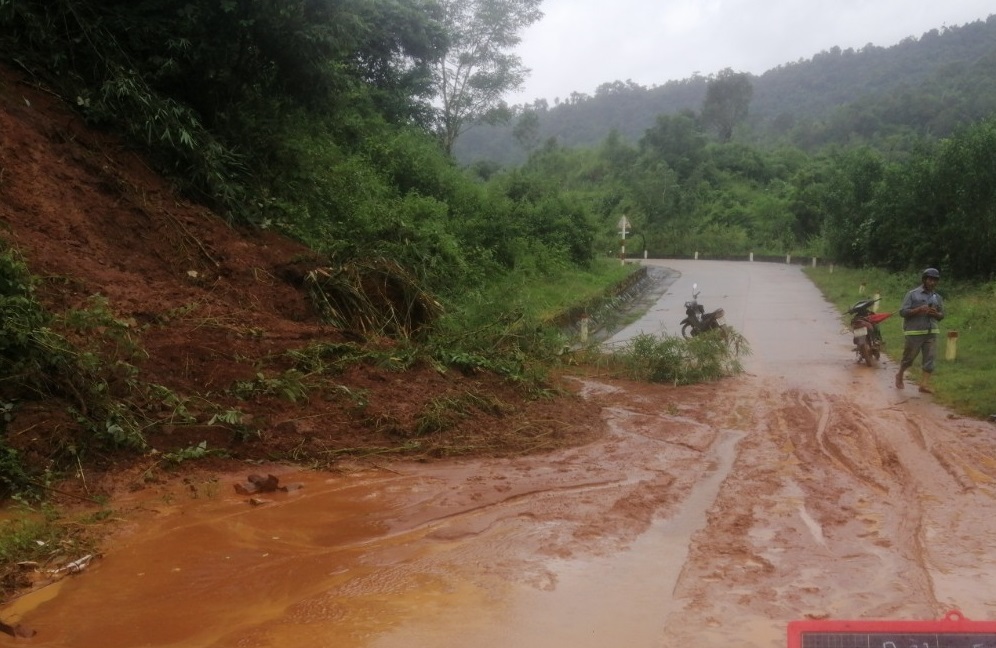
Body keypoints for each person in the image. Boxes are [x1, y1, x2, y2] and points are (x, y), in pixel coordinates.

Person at [895, 268, 944, 393]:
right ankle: (900, 374)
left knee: (930, 359)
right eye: (930, 279)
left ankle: (924, 385)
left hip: (931, 332)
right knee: (908, 359)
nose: (932, 282)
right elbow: (903, 312)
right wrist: (918, 310)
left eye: (935, 280)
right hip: (914, 332)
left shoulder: (937, 297)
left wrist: (935, 314)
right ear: (924, 279)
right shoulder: (912, 294)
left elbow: (941, 315)